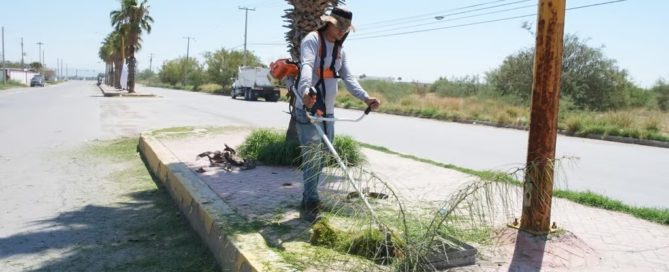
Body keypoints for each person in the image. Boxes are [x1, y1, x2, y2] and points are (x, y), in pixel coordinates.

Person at [293, 5, 381, 222]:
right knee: (312, 157)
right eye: (339, 26)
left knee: (323, 154)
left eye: (345, 28)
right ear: (329, 23)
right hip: (309, 108)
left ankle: (310, 196)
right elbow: (306, 66)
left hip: (327, 112)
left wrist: (366, 98)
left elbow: (349, 78)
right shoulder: (313, 40)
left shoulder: (340, 50)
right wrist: (305, 91)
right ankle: (311, 202)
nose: (342, 31)